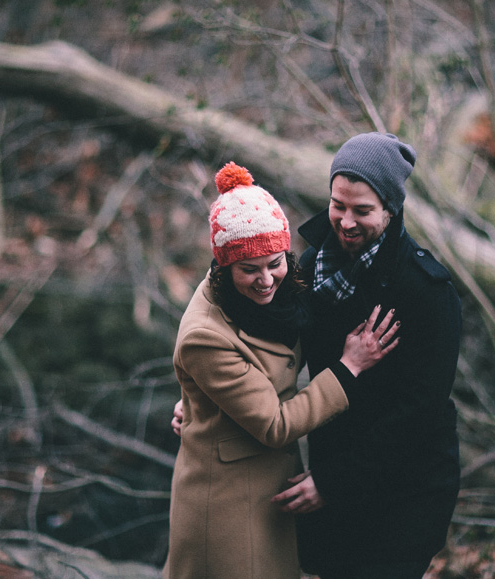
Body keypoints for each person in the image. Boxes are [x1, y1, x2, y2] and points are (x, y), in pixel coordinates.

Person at [163, 162, 400, 579]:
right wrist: (349, 367)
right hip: (226, 506)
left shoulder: (282, 293)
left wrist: (196, 403)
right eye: (248, 270)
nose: (265, 281)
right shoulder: (206, 335)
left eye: (274, 263)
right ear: (223, 266)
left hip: (264, 490)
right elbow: (274, 423)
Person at [272, 132, 462, 579]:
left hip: (406, 490)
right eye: (339, 205)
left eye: (363, 211)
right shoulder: (311, 266)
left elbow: (418, 412)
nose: (346, 221)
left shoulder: (426, 291)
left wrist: (334, 482)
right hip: (334, 474)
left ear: (391, 210)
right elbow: (273, 349)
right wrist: (204, 401)